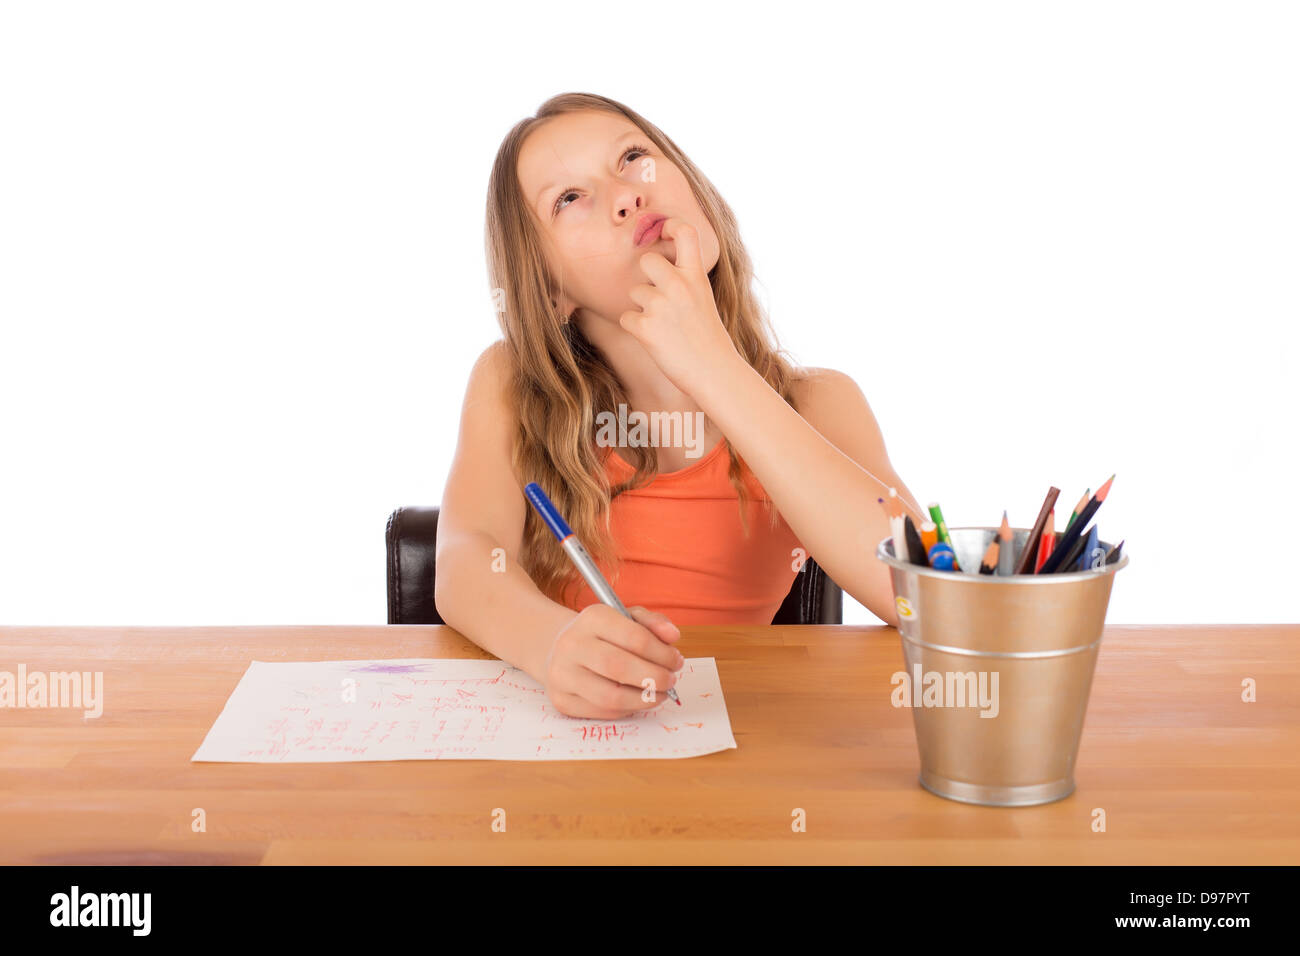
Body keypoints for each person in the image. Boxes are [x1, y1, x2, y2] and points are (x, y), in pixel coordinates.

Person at [436, 92, 925, 719]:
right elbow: (464, 558)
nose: (625, 195)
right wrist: (552, 644)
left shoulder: (820, 403)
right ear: (548, 287)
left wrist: (714, 367)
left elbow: (917, 594)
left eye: (634, 157)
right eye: (568, 199)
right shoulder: (510, 383)